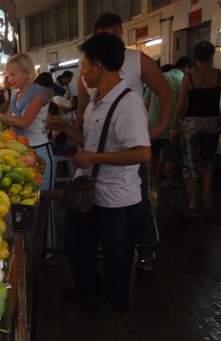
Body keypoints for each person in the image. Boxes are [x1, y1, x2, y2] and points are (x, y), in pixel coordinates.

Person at [50, 33, 151, 319]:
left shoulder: (128, 104)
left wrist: (94, 158)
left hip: (118, 196)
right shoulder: (97, 100)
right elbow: (92, 140)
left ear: (98, 66)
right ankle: (88, 286)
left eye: (84, 67)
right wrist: (66, 128)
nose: (81, 74)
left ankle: (116, 300)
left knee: (117, 253)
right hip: (90, 190)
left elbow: (142, 153)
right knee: (76, 239)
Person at [77, 13, 172, 273]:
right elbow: (82, 110)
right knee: (100, 202)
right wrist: (79, 140)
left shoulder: (137, 59)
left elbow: (164, 91)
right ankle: (107, 244)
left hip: (128, 146)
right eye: (105, 35)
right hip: (99, 145)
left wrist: (160, 126)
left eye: (116, 34)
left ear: (122, 33)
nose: (112, 39)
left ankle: (146, 248)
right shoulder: (89, 68)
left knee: (137, 200)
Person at [0, 53, 56, 254]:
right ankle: (32, 249)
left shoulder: (39, 93)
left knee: (43, 202)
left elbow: (24, 123)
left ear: (26, 73)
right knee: (28, 203)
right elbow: (12, 125)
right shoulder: (16, 95)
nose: (9, 79)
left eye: (13, 74)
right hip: (23, 153)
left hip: (40, 151)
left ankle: (47, 248)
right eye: (7, 74)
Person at [170, 40, 221, 216]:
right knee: (207, 161)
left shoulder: (189, 77)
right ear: (211, 56)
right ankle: (206, 197)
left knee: (190, 164)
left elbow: (180, 105)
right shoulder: (218, 75)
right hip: (214, 123)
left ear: (195, 57)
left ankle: (192, 204)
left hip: (192, 124)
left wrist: (174, 128)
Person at [144, 57, 193, 190]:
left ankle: (148, 177)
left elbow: (146, 102)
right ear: (186, 67)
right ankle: (168, 180)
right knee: (169, 154)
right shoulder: (183, 80)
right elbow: (183, 106)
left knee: (148, 152)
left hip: (151, 123)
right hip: (171, 124)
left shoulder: (158, 77)